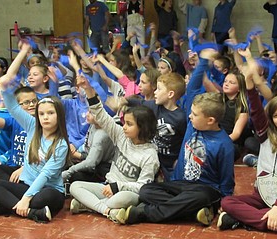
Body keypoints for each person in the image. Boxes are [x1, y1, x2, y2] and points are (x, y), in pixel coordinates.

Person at [110, 49, 235, 225]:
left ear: (210, 120)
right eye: (191, 113)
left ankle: (145, 214)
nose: (190, 117)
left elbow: (227, 182)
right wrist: (203, 61)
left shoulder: (224, 144)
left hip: (206, 190)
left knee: (197, 197)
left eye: (195, 115)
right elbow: (191, 89)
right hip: (181, 184)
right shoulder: (193, 126)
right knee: (146, 190)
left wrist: (225, 203)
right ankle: (193, 213)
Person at [0, 40, 71, 223]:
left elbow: (46, 175)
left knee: (45, 198)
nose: (45, 117)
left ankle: (7, 206)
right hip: (26, 185)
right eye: (42, 114)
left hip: (49, 190)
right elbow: (12, 105)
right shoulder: (32, 125)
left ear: (59, 116)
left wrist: (26, 199)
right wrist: (5, 86)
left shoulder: (61, 143)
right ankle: (33, 213)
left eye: (50, 113)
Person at [218, 54, 277, 238]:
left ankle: (241, 220)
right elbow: (255, 109)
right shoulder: (265, 135)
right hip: (260, 196)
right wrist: (248, 83)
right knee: (227, 202)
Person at [69, 76, 160, 222]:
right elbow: (101, 115)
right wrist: (88, 89)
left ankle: (88, 205)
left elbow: (143, 187)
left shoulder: (150, 155)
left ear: (142, 128)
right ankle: (106, 210)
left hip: (126, 192)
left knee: (120, 199)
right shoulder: (121, 136)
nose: (124, 127)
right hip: (106, 187)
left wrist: (118, 186)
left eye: (129, 124)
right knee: (75, 186)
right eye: (125, 123)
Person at [123, 72, 186, 181]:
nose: (155, 92)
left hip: (169, 164)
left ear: (170, 94)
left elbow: (185, 140)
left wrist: (179, 159)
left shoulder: (180, 117)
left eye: (159, 89)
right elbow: (140, 102)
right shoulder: (154, 106)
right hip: (151, 156)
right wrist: (124, 101)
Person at [0, 85, 37, 192]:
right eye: (26, 102)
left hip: (32, 169)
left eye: (34, 101)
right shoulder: (14, 120)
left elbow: (44, 153)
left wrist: (24, 168)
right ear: (16, 106)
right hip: (13, 166)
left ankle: (10, 188)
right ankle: (12, 187)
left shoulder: (41, 123)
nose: (32, 105)